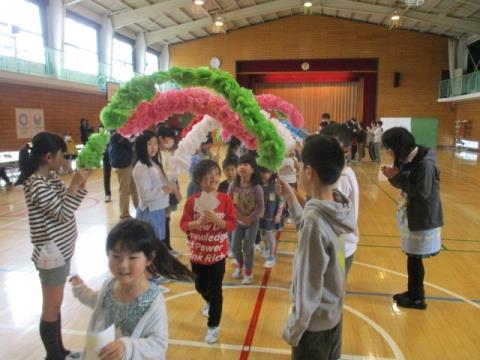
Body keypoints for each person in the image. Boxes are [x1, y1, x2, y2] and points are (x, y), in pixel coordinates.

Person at [276, 134, 354, 360]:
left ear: (310, 172)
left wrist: (294, 329)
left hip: (313, 329)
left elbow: (307, 287)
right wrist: (291, 198)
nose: (298, 172)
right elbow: (310, 227)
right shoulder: (335, 206)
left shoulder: (315, 221)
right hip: (333, 317)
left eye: (301, 167)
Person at [70, 219, 193, 360]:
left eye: (132, 257)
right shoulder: (109, 286)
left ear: (149, 258)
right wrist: (81, 289)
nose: (123, 265)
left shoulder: (151, 300)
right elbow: (98, 302)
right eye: (116, 256)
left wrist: (126, 347)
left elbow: (158, 344)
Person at [17, 132, 90, 359]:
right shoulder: (35, 184)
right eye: (62, 155)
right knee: (51, 308)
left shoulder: (50, 179)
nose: (65, 160)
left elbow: (69, 208)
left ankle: (60, 351)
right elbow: (61, 213)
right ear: (49, 157)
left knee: (56, 306)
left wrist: (80, 185)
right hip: (51, 256)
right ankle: (54, 356)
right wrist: (74, 184)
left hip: (62, 252)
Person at [381, 127, 443, 310]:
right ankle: (413, 292)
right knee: (412, 256)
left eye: (389, 147)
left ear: (398, 146)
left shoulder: (425, 164)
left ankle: (418, 298)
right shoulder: (409, 159)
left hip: (422, 218)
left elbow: (422, 193)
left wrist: (397, 177)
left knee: (415, 258)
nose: (387, 151)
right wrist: (395, 176)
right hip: (414, 215)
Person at [180, 159, 236, 344]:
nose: (213, 177)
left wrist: (218, 221)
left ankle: (213, 326)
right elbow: (183, 224)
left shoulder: (226, 200)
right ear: (199, 180)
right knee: (199, 286)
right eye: (207, 175)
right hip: (198, 254)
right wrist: (195, 224)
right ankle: (209, 300)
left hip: (218, 254)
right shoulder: (191, 202)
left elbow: (232, 224)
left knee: (216, 290)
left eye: (215, 174)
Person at [321, 123, 360, 278]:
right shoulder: (333, 174)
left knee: (330, 297)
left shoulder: (341, 178)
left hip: (339, 247)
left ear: (346, 150)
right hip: (337, 244)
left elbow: (327, 217)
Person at [227, 155, 264, 285]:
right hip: (238, 222)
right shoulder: (233, 185)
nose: (241, 167)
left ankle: (248, 272)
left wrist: (251, 218)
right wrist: (237, 216)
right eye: (240, 164)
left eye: (245, 164)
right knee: (234, 247)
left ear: (252, 170)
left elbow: (260, 207)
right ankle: (240, 265)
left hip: (252, 223)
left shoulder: (257, 188)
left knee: (248, 248)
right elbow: (229, 202)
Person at [132, 131, 173, 244]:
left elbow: (160, 183)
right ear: (141, 146)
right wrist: (164, 190)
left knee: (158, 245)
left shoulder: (153, 163)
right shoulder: (141, 167)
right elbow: (145, 195)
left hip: (158, 209)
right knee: (151, 246)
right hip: (150, 212)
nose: (153, 147)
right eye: (149, 144)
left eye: (155, 144)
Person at [157, 126, 182, 256]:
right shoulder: (158, 155)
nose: (172, 140)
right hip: (164, 191)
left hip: (171, 187)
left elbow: (173, 173)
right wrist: (173, 190)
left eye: (173, 138)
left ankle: (167, 246)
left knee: (167, 217)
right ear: (161, 138)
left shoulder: (167, 153)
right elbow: (165, 175)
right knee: (163, 218)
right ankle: (165, 248)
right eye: (169, 137)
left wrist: (177, 189)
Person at [258, 166, 284, 268]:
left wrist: (278, 214)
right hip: (260, 215)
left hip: (271, 215)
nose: (264, 174)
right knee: (262, 234)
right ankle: (267, 247)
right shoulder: (258, 184)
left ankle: (272, 257)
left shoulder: (276, 185)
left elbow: (282, 201)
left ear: (272, 173)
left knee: (269, 234)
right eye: (262, 171)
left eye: (267, 172)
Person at [109, 131, 139, 219]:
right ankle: (124, 213)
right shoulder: (117, 134)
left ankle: (139, 208)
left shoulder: (122, 133)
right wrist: (135, 137)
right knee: (125, 190)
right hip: (122, 165)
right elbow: (129, 144)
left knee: (134, 188)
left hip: (128, 163)